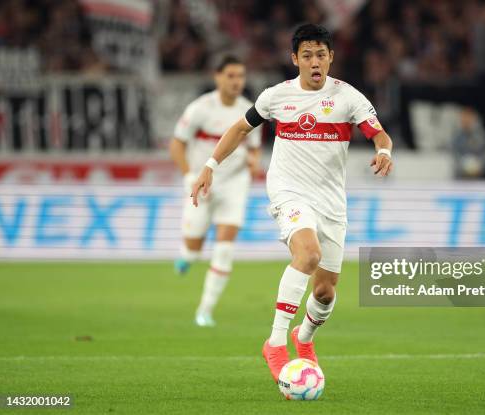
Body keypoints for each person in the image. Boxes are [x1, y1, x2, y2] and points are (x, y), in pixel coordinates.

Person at [190, 23, 394, 382]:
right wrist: (209, 166)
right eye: (307, 55)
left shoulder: (348, 97)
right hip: (288, 191)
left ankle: (304, 337)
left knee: (326, 292)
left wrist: (384, 150)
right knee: (308, 254)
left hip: (331, 201)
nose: (314, 62)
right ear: (294, 59)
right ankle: (275, 342)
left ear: (331, 57)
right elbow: (240, 128)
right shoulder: (276, 96)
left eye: (321, 55)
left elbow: (377, 132)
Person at [169, 55, 262, 327]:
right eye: (231, 75)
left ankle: (205, 310)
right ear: (218, 77)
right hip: (201, 182)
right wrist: (188, 175)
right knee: (193, 248)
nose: (236, 81)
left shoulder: (249, 110)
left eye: (240, 76)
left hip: (235, 183)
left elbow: (253, 146)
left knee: (224, 248)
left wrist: (254, 160)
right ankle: (187, 257)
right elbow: (177, 145)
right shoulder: (200, 108)